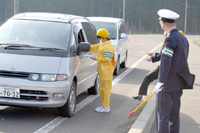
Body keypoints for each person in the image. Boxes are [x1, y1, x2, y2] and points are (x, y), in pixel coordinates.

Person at [155, 9, 190, 133]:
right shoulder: (182, 38)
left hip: (167, 85)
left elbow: (166, 60)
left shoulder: (170, 39)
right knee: (174, 116)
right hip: (178, 83)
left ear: (163, 23)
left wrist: (161, 82)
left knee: (163, 116)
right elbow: (180, 59)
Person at [132, 31, 168, 101]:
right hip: (168, 67)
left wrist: (152, 57)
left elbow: (165, 56)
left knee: (148, 77)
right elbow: (164, 55)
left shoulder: (169, 42)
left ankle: (141, 95)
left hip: (165, 67)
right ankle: (141, 94)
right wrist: (153, 54)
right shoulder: (178, 43)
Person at [89, 28, 115, 113]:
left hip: (106, 71)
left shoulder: (108, 47)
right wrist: (86, 46)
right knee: (102, 89)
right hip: (103, 70)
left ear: (104, 37)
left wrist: (96, 58)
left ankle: (106, 107)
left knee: (105, 89)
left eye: (100, 38)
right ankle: (104, 105)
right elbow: (95, 47)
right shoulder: (102, 44)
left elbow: (108, 59)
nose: (100, 39)